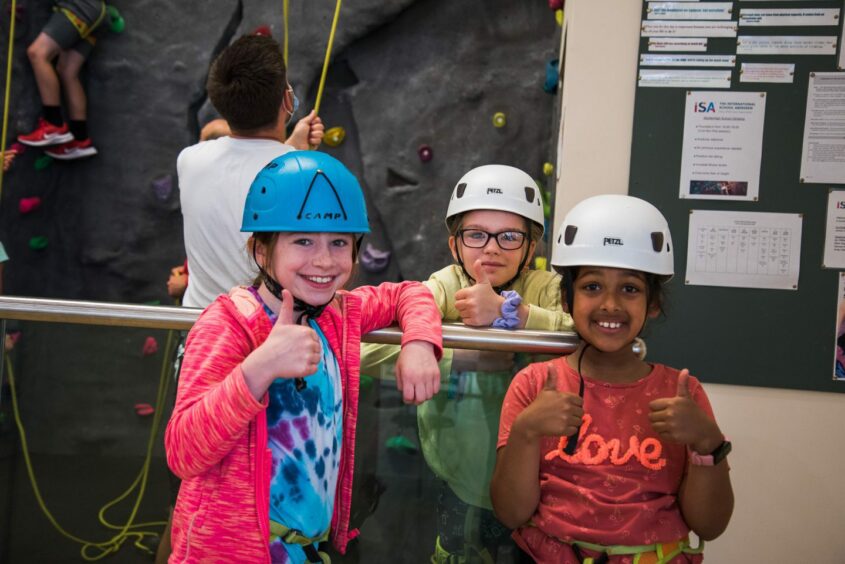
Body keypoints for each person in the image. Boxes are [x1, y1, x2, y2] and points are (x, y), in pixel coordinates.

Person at [165, 151, 443, 562]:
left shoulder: (337, 315)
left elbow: (409, 292)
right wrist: (259, 368)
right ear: (262, 251)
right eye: (302, 241)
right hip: (233, 552)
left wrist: (418, 342)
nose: (324, 260)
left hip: (307, 550)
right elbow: (184, 451)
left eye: (339, 243)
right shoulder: (228, 326)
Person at [491, 194, 734, 563]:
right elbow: (511, 513)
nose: (610, 304)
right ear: (566, 298)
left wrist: (707, 441)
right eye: (592, 286)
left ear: (653, 303)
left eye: (630, 288)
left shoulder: (680, 393)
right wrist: (527, 431)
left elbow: (711, 525)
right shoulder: (535, 385)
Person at [361, 164, 573, 563]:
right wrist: (462, 357)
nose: (491, 248)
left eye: (509, 236)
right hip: (460, 478)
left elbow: (586, 334)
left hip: (541, 481)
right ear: (454, 244)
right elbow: (364, 349)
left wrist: (518, 316)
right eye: (476, 235)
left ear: (532, 248)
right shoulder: (442, 287)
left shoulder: (546, 288)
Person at [178, 33, 324, 309]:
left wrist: (292, 147)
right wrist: (293, 151)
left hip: (200, 330)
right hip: (265, 332)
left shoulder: (189, 160)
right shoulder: (305, 172)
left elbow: (246, 170)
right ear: (287, 101)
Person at [17, 0, 107, 160]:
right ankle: (80, 139)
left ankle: (53, 124)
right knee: (67, 71)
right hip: (95, 12)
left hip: (78, 7)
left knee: (37, 53)